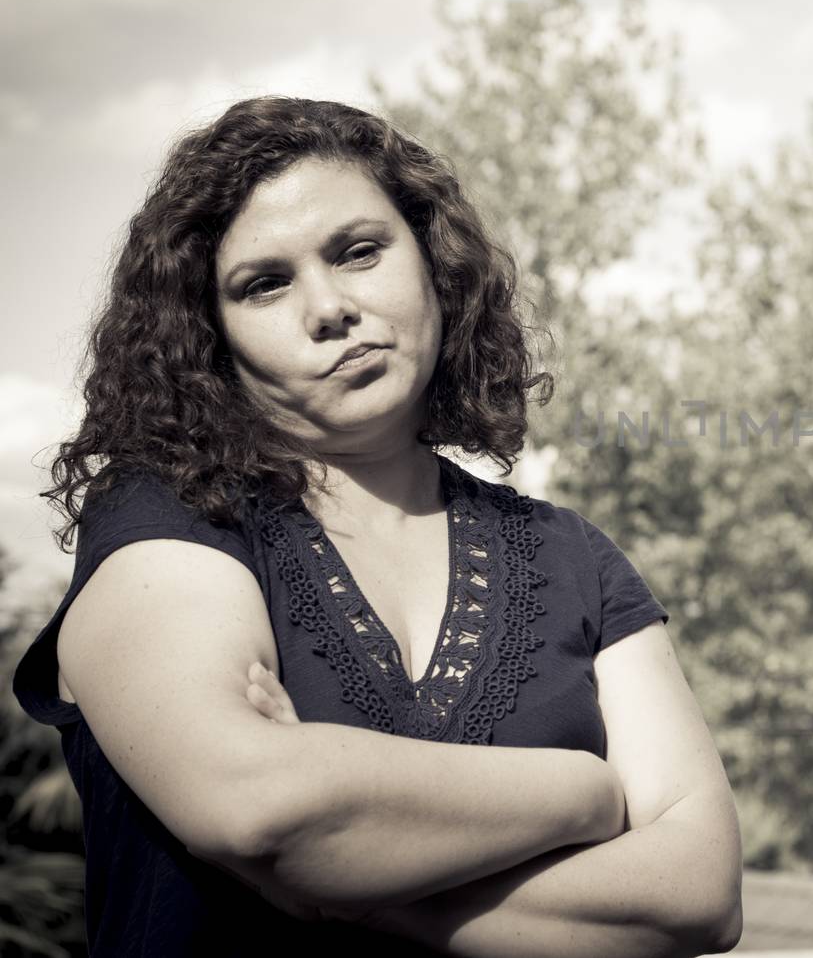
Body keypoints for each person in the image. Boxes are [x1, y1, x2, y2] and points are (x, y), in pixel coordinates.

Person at [13, 96, 742, 956]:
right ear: (210, 336)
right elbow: (260, 809)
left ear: (435, 263)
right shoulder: (165, 515)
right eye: (265, 284)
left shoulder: (574, 558)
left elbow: (698, 893)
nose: (328, 307)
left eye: (359, 252)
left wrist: (351, 888)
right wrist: (583, 793)